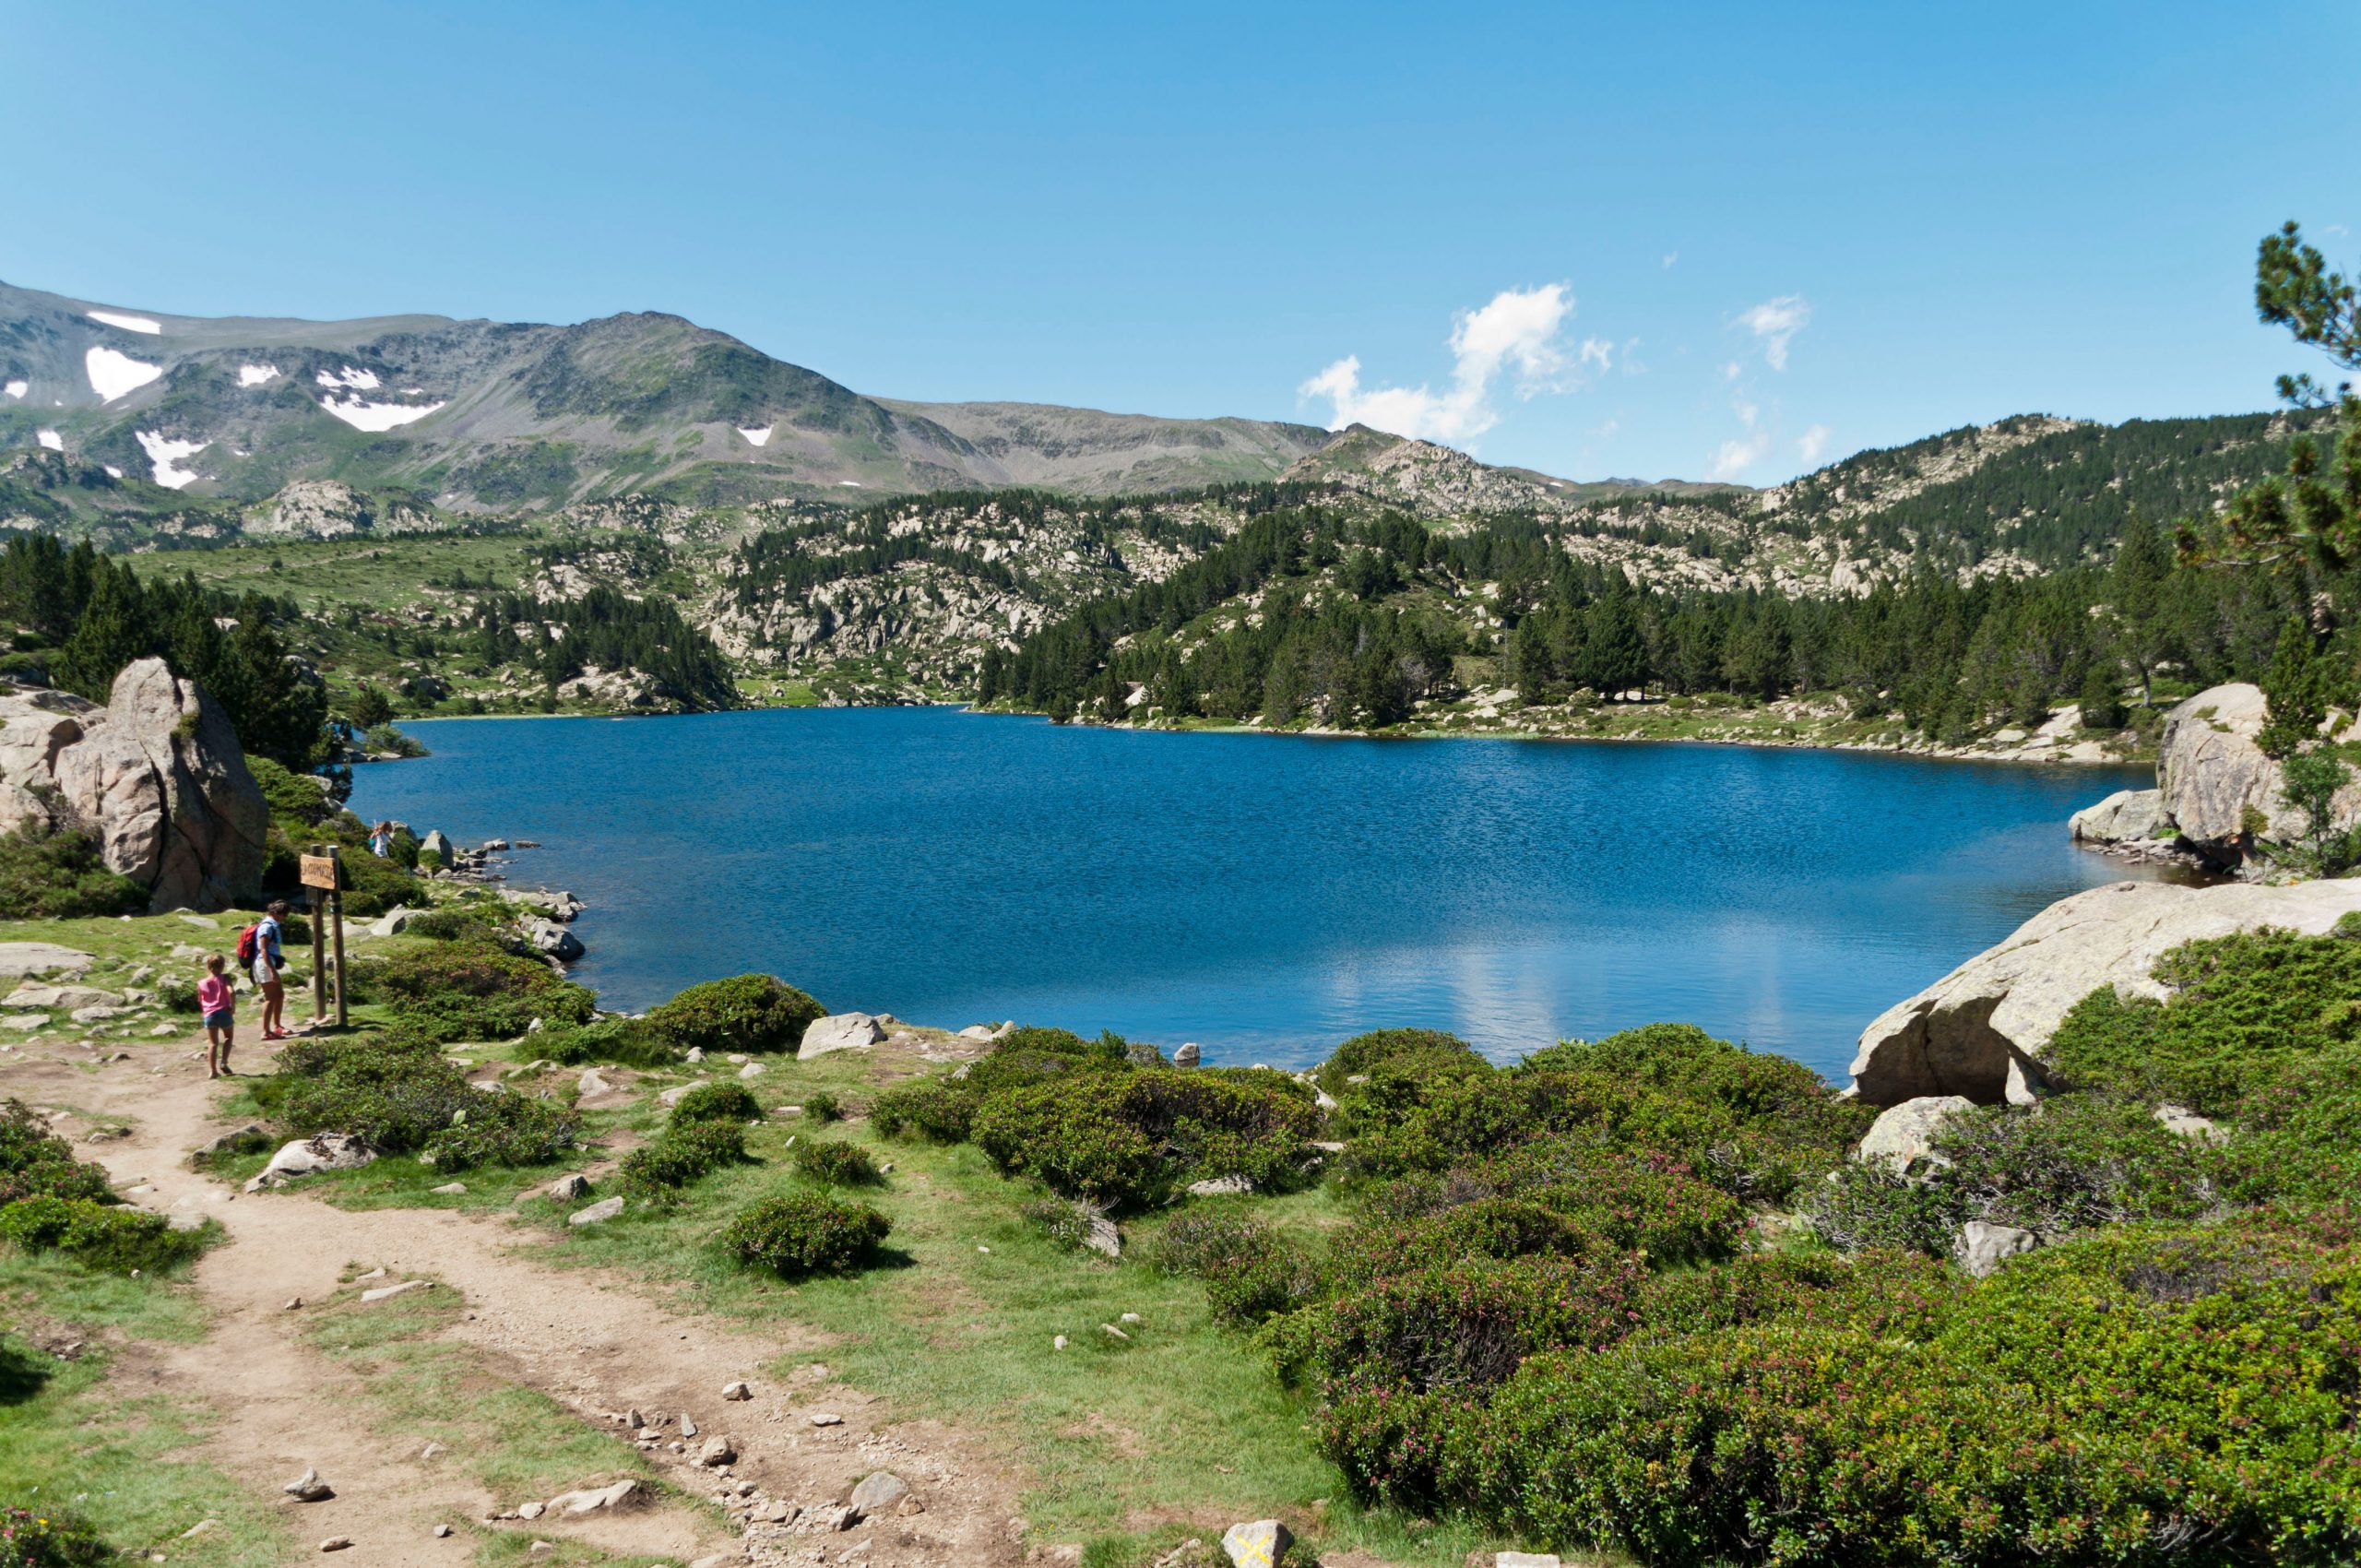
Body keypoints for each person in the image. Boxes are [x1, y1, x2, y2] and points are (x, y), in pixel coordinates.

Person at [255, 898, 291, 1040]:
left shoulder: (272, 925)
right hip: (265, 964)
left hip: (269, 963)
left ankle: (277, 1026)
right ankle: (265, 1031)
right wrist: (272, 970)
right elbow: (263, 949)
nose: (285, 918)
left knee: (279, 995)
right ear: (276, 913)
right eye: (284, 914)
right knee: (270, 998)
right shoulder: (267, 927)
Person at [199, 954, 236, 1078]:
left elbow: (200, 999)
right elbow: (231, 991)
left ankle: (213, 1071)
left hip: (209, 1014)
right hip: (224, 1012)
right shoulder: (225, 978)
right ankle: (224, 1062)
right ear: (222, 966)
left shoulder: (201, 983)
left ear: (208, 966)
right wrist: (232, 1007)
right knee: (228, 1037)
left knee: (213, 1043)